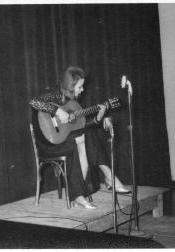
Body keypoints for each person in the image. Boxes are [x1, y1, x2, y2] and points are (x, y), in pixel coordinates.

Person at [29, 66, 130, 210]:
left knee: (85, 136)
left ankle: (80, 194)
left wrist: (97, 118)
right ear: (70, 86)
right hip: (49, 143)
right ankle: (108, 176)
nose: (82, 90)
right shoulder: (54, 94)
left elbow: (79, 126)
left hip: (67, 140)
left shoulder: (73, 103)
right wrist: (57, 110)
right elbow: (34, 102)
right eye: (80, 87)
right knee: (82, 139)